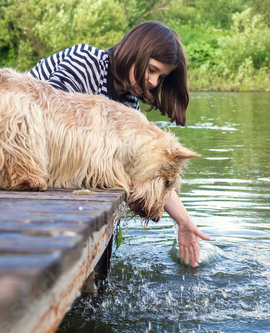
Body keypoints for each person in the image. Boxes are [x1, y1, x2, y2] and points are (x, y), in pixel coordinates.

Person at [29, 21, 209, 267]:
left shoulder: (128, 103)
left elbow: (150, 169)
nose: (154, 83)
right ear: (136, 51)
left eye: (161, 77)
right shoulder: (85, 62)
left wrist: (185, 221)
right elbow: (47, 122)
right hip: (23, 157)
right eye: (152, 69)